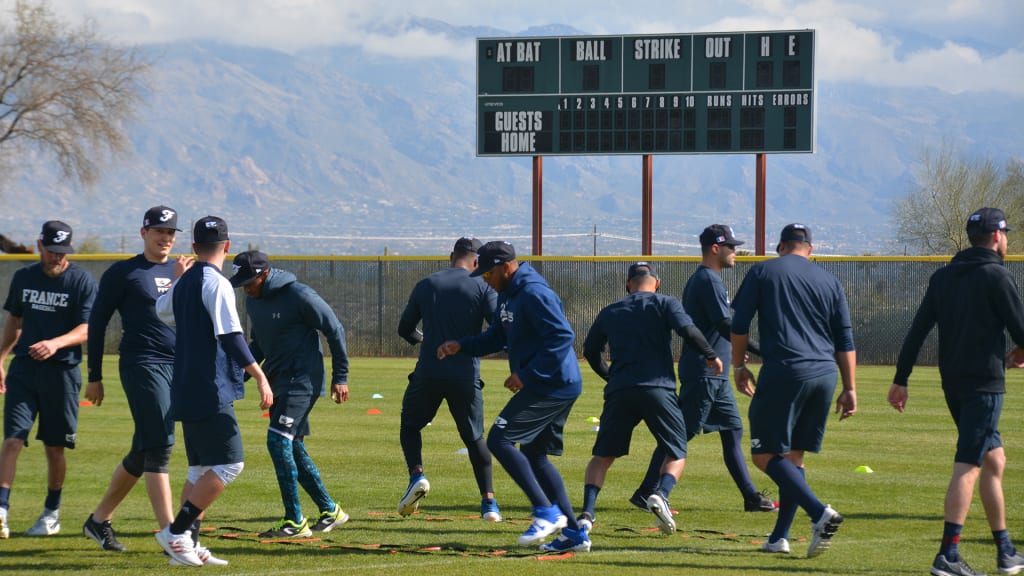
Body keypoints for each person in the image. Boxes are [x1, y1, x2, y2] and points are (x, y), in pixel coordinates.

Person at [889, 207, 1024, 576]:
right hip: (985, 385)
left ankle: (1005, 550)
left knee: (994, 460)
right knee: (969, 464)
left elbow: (917, 331)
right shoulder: (997, 276)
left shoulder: (943, 277)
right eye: (1006, 234)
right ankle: (948, 555)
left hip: (954, 384)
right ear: (997, 237)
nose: (1007, 240)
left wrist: (901, 378)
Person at [437, 241, 586, 551]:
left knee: (499, 439)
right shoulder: (508, 292)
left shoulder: (533, 293)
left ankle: (545, 512)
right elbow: (498, 335)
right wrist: (463, 345)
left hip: (553, 384)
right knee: (534, 455)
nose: (485, 280)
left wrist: (527, 374)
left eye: (489, 274)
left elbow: (562, 337)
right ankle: (574, 534)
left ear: (507, 267)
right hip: (548, 383)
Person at [731, 223, 856, 558]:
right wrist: (851, 387)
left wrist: (739, 365)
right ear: (809, 250)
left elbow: (739, 324)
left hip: (786, 370)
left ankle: (819, 513)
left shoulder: (763, 271)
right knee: (793, 456)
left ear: (781, 247)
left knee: (763, 454)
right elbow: (845, 340)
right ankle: (779, 538)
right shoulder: (829, 280)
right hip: (826, 373)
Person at [154, 216, 272, 567]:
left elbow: (162, 312)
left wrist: (178, 283)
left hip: (185, 384)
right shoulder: (216, 282)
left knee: (199, 467)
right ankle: (175, 531)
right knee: (230, 464)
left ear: (192, 248)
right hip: (209, 386)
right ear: (228, 246)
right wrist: (260, 376)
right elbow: (232, 337)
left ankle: (187, 545)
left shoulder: (186, 280)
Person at [632, 225, 776, 514]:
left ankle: (750, 496)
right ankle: (649, 491)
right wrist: (764, 350)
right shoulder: (708, 280)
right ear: (715, 248)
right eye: (731, 247)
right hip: (705, 371)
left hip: (715, 373)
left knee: (732, 431)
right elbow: (725, 325)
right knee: (678, 435)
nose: (735, 252)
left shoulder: (709, 279)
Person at [580, 262, 722, 540]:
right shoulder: (666, 303)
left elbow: (590, 350)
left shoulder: (611, 310)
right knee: (676, 450)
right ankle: (660, 494)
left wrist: (611, 377)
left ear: (628, 284)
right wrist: (710, 354)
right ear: (656, 283)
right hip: (658, 388)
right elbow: (689, 332)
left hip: (621, 390)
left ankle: (586, 514)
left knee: (602, 457)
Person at [82, 206, 194, 552]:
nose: (166, 238)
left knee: (144, 448)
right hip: (141, 364)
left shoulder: (182, 270)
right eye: (159, 231)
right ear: (143, 232)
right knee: (160, 443)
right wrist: (95, 376)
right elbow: (98, 324)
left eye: (171, 232)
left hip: (177, 366)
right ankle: (171, 535)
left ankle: (98, 521)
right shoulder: (123, 273)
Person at [229, 250, 352, 538]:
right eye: (242, 282)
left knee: (277, 441)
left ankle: (294, 521)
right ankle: (330, 509)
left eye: (250, 281)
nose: (245, 288)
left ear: (264, 274)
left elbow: (334, 328)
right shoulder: (253, 301)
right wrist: (239, 376)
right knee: (292, 445)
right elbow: (258, 345)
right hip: (277, 380)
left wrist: (341, 377)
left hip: (303, 379)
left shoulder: (299, 295)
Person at [0, 221, 96, 539]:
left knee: (55, 448)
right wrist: (0, 358)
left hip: (62, 373)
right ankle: (1, 510)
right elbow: (15, 319)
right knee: (12, 440)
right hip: (24, 371)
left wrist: (55, 343)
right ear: (40, 245)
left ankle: (51, 514)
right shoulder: (24, 277)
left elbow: (87, 328)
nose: (57, 258)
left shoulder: (80, 280)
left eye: (63, 252)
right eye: (52, 251)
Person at [396, 237, 501, 521]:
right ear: (477, 261)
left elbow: (405, 328)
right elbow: (499, 331)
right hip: (465, 375)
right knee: (475, 438)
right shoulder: (483, 286)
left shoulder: (427, 284)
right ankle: (489, 503)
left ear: (451, 256)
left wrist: (426, 341)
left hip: (428, 371)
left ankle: (417, 475)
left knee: (410, 426)